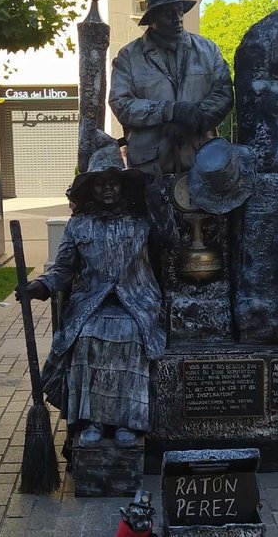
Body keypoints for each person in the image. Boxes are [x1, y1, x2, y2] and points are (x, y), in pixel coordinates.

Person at [23, 133, 164, 449]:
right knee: (87, 337)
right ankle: (92, 421)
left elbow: (168, 247)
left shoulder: (141, 221)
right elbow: (62, 269)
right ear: (91, 189)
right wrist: (41, 286)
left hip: (136, 303)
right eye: (100, 183)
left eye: (114, 181)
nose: (108, 188)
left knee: (132, 337)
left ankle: (129, 421)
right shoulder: (79, 225)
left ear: (123, 184)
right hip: (91, 305)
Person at [109, 0, 233, 181]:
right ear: (153, 19)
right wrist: (169, 111)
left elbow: (224, 93)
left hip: (202, 162)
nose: (177, 19)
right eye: (169, 14)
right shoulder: (129, 56)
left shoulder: (208, 50)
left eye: (180, 12)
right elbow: (121, 104)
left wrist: (194, 119)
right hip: (149, 169)